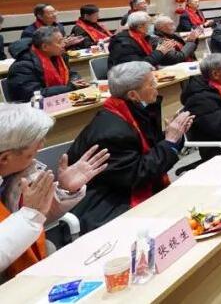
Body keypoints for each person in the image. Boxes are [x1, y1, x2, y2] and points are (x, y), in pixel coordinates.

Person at [67, 62, 192, 232]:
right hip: (109, 203)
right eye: (151, 83)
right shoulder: (112, 132)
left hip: (124, 186)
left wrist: (175, 136)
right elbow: (137, 175)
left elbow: (151, 149)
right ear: (133, 94)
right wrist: (170, 141)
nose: (157, 86)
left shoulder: (133, 111)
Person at [0, 104, 107, 278]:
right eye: (30, 155)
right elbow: (27, 219)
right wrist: (29, 216)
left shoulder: (14, 175)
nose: (35, 158)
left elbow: (37, 218)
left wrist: (64, 190)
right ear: (5, 158)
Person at [8, 27, 90, 102]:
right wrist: (70, 87)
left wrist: (76, 81)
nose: (64, 44)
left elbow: (70, 73)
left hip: (61, 101)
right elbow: (34, 94)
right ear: (45, 47)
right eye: (59, 42)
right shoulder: (22, 67)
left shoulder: (58, 57)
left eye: (63, 40)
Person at [106, 12, 180, 69]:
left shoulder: (142, 37)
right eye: (149, 24)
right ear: (140, 27)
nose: (151, 27)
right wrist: (159, 52)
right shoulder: (124, 44)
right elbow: (140, 66)